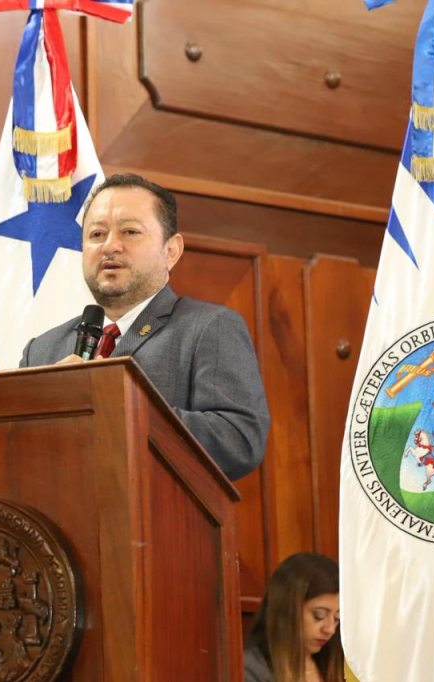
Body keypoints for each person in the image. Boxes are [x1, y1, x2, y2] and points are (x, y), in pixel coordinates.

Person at [18, 174, 270, 479]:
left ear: (171, 251)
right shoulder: (41, 351)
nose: (110, 246)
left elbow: (239, 440)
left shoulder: (209, 328)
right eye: (97, 234)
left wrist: (114, 406)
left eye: (130, 231)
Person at [244, 553, 343, 682]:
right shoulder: (251, 668)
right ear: (287, 609)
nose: (330, 629)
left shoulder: (336, 662)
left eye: (337, 618)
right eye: (319, 615)